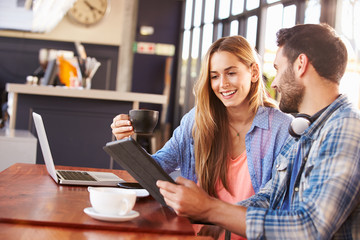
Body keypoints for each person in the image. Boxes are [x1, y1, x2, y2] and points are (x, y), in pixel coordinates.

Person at [157, 23, 360, 239]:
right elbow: (270, 196)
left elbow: (310, 228)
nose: (274, 83)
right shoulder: (306, 130)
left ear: (300, 64)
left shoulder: (346, 128)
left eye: (278, 69)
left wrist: (210, 209)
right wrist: (220, 219)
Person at [111, 35, 293, 239]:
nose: (222, 84)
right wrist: (125, 142)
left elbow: (274, 198)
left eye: (231, 73)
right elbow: (157, 168)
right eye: (214, 76)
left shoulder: (282, 128)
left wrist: (220, 218)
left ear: (254, 72)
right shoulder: (196, 121)